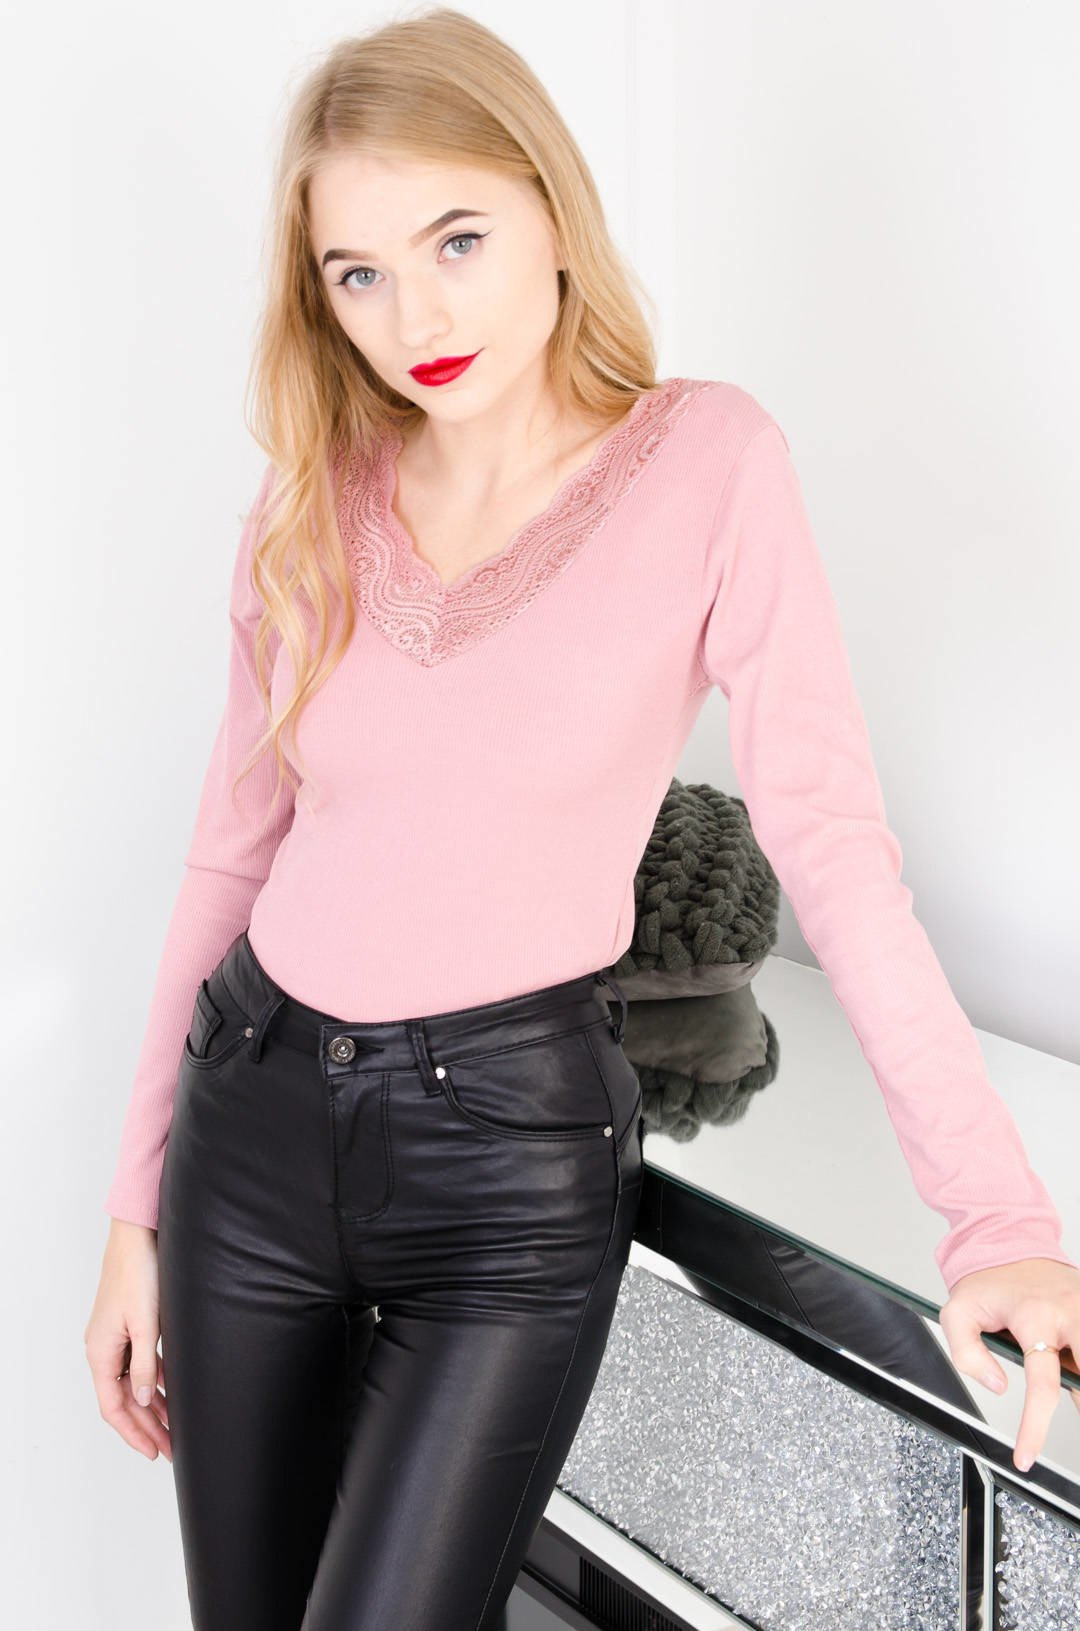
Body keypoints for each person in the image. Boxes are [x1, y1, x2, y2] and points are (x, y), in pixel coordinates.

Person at [83, 8, 1080, 1629]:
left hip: (506, 1177)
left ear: (552, 207)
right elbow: (228, 854)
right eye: (357, 272)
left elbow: (834, 849)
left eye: (457, 239)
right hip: (247, 1135)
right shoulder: (310, 499)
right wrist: (133, 1214)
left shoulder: (708, 461)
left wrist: (1000, 1221)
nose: (415, 316)